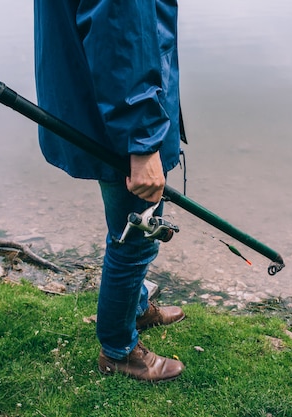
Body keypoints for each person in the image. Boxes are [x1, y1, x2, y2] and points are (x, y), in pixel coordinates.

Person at [33, 0, 186, 382]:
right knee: (135, 236)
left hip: (92, 105)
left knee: (130, 226)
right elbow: (120, 42)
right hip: (121, 124)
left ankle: (134, 308)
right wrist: (143, 141)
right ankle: (119, 349)